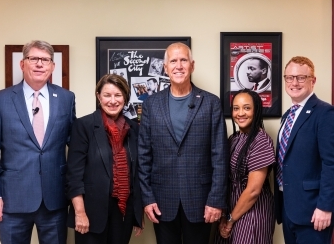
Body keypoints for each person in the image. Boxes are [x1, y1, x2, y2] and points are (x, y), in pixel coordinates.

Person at [138, 42, 229, 244]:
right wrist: (147, 198)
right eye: (173, 61)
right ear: (165, 68)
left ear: (192, 65)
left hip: (201, 201)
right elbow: (143, 155)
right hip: (162, 200)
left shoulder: (211, 103)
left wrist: (216, 200)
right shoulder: (151, 104)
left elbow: (220, 156)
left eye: (183, 60)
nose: (178, 66)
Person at [0, 40, 76, 244]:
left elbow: (75, 147)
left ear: (53, 66)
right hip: (12, 200)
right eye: (34, 59)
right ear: (22, 64)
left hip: (55, 200)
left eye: (45, 60)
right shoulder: (0, 100)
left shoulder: (66, 98)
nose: (40, 64)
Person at [66, 74, 143, 244]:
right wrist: (80, 213)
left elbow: (136, 174)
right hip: (90, 214)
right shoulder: (84, 126)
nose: (113, 101)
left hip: (123, 213)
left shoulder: (133, 128)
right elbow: (74, 175)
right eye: (107, 95)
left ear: (126, 97)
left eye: (118, 95)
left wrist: (137, 213)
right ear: (98, 96)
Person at [274, 56, 334, 244]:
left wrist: (325, 207)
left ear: (313, 81)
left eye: (301, 77)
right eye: (290, 77)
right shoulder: (287, 116)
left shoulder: (325, 113)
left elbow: (331, 163)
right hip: (289, 209)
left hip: (313, 212)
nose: (294, 82)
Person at [214, 89, 275, 244]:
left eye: (247, 108)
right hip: (231, 210)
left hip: (253, 213)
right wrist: (224, 216)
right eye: (236, 108)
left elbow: (253, 191)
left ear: (256, 110)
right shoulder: (233, 139)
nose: (240, 113)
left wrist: (230, 219)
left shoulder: (260, 141)